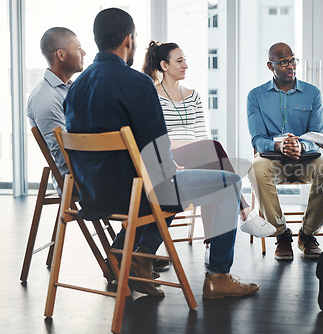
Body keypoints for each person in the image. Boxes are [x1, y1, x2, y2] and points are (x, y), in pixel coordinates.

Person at [64, 7, 259, 299]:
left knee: (166, 183)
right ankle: (218, 276)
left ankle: (131, 258)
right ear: (128, 40)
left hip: (92, 194)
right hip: (137, 194)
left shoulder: (75, 88)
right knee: (228, 182)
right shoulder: (137, 83)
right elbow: (157, 153)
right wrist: (177, 176)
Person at [142, 41, 275, 238]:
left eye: (185, 60)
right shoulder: (152, 95)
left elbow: (201, 135)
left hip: (196, 155)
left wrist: (199, 148)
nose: (185, 65)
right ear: (164, 66)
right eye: (179, 61)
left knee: (216, 170)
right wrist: (195, 147)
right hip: (171, 159)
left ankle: (211, 245)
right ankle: (245, 213)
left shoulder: (193, 96)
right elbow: (162, 140)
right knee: (212, 151)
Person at [247, 42, 323, 261]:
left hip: (306, 159)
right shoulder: (255, 96)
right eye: (283, 62)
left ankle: (308, 234)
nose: (290, 66)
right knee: (255, 168)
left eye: (293, 60)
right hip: (273, 158)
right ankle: (281, 234)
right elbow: (257, 139)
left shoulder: (312, 93)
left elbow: (317, 135)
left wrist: (301, 146)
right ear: (270, 65)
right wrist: (279, 146)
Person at [27, 27, 85, 192]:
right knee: (140, 180)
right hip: (76, 180)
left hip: (89, 172)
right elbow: (63, 155)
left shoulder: (71, 89)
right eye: (78, 48)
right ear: (61, 55)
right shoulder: (45, 97)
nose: (84, 53)